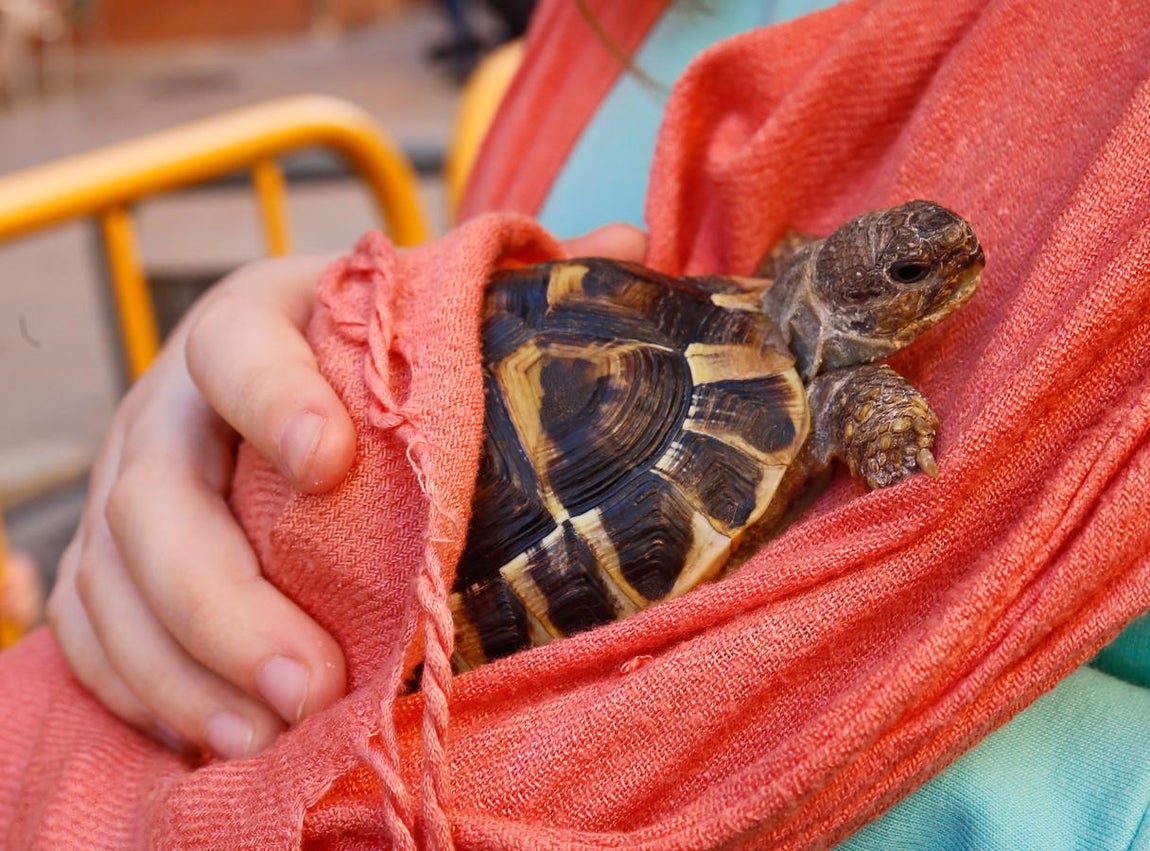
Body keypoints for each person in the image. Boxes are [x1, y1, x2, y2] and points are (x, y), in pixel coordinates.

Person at [25, 0, 1150, 846]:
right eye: (912, 269)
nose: (947, 275)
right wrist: (323, 328)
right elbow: (481, 348)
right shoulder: (601, 29)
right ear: (854, 292)